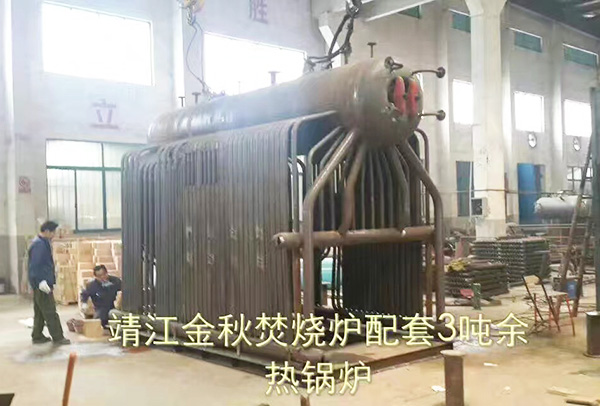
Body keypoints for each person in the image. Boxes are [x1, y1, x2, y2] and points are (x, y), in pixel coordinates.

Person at [28, 221, 70, 345]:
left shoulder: (42, 242)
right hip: (42, 284)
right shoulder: (39, 245)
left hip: (41, 283)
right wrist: (41, 281)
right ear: (46, 231)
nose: (54, 235)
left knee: (40, 311)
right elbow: (36, 265)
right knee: (50, 311)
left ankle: (37, 335)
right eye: (53, 232)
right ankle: (58, 337)